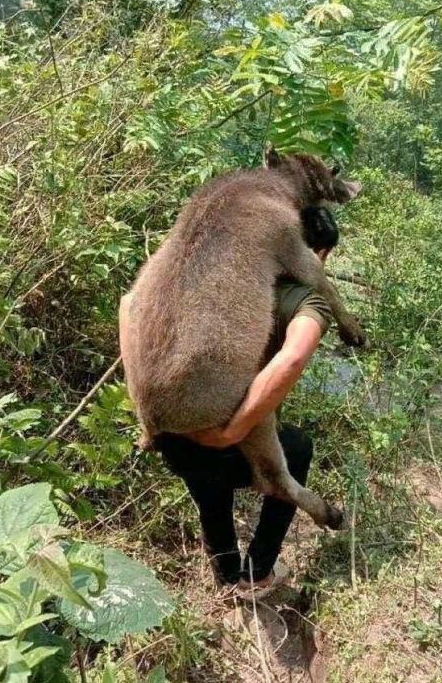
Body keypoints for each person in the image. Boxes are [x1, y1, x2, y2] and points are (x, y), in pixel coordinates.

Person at [119, 207, 339, 598]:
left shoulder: (212, 275)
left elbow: (129, 305)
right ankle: (257, 575)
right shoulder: (307, 300)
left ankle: (224, 576)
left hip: (173, 437)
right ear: (315, 254)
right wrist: (234, 430)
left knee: (210, 495)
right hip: (224, 437)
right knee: (297, 452)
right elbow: (292, 358)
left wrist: (143, 412)